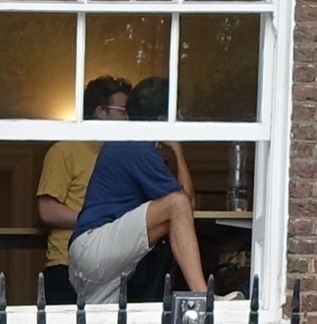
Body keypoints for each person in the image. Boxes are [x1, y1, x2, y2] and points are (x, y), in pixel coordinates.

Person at [65, 75, 209, 306]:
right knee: (176, 205)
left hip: (91, 254)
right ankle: (203, 298)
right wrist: (178, 150)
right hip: (96, 247)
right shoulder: (137, 146)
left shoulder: (129, 142)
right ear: (163, 119)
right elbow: (185, 204)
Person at [35, 76, 129, 306]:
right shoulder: (64, 150)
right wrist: (97, 221)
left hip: (112, 268)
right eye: (123, 110)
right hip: (65, 266)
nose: (128, 118)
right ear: (100, 111)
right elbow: (47, 210)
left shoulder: (124, 154)